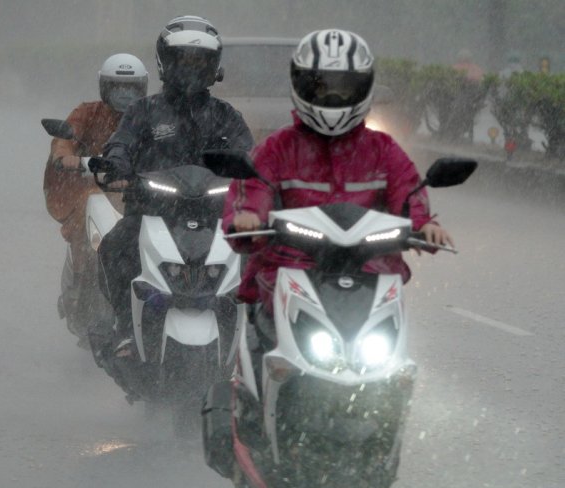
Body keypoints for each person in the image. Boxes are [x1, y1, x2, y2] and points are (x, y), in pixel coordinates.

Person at [224, 29, 453, 351]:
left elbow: (408, 191)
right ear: (301, 85)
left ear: (363, 88)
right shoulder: (278, 147)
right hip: (288, 267)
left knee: (394, 355)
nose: (333, 98)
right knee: (265, 338)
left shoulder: (382, 149)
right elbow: (254, 187)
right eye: (321, 86)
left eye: (344, 88)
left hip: (371, 269)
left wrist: (424, 224)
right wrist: (247, 217)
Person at [98, 15, 254, 356]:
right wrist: (116, 164)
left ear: (214, 67)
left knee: (263, 251)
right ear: (164, 62)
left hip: (217, 215)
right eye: (183, 59)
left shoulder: (225, 115)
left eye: (200, 62)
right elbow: (120, 142)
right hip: (152, 211)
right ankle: (124, 327)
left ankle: (254, 337)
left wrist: (259, 172)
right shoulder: (143, 111)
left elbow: (249, 151)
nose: (191, 68)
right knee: (113, 248)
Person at [42, 53, 148, 339]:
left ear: (143, 89)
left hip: (140, 194)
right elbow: (64, 141)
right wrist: (67, 159)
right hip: (94, 188)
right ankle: (80, 279)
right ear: (104, 88)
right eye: (118, 88)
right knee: (86, 223)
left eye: (131, 89)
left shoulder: (151, 115)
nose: (125, 96)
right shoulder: (87, 112)